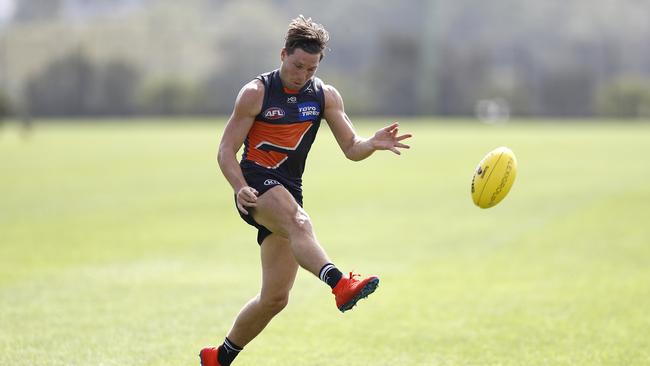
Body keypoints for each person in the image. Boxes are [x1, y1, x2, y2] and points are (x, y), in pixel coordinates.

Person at [200, 15, 412, 366]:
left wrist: (372, 143)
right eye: (297, 65)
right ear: (283, 54)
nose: (302, 74)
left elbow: (351, 148)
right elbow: (226, 151)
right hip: (256, 182)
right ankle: (339, 284)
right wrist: (239, 188)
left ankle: (218, 357)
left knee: (275, 298)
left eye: (310, 69)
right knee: (300, 222)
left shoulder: (325, 96)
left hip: (288, 189)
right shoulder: (256, 93)